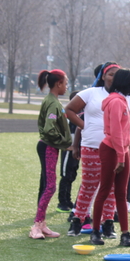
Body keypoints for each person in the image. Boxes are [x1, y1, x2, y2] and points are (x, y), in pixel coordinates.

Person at [64, 63, 130, 238]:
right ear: (103, 77)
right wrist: (86, 127)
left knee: (113, 189)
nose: (113, 78)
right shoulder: (92, 93)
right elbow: (69, 110)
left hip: (118, 149)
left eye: (116, 74)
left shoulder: (129, 99)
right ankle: (78, 220)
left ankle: (108, 223)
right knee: (89, 185)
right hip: (92, 146)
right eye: (110, 74)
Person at [90, 68, 130, 247]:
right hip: (112, 150)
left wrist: (126, 149)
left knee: (121, 193)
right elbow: (116, 131)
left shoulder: (122, 100)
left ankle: (125, 233)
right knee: (104, 189)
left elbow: (125, 131)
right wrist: (120, 156)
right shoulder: (117, 102)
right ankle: (96, 231)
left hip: (121, 150)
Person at [30, 69, 72, 239]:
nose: (66, 87)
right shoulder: (53, 103)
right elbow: (49, 129)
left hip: (49, 147)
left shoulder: (51, 100)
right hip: (48, 147)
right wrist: (64, 143)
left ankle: (42, 224)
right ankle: (37, 225)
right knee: (50, 186)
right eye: (66, 83)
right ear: (58, 84)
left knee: (47, 185)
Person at [56, 90, 82, 213]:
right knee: (66, 175)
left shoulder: (80, 114)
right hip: (68, 148)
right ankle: (62, 201)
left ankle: (68, 200)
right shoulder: (67, 115)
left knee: (72, 174)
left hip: (77, 148)